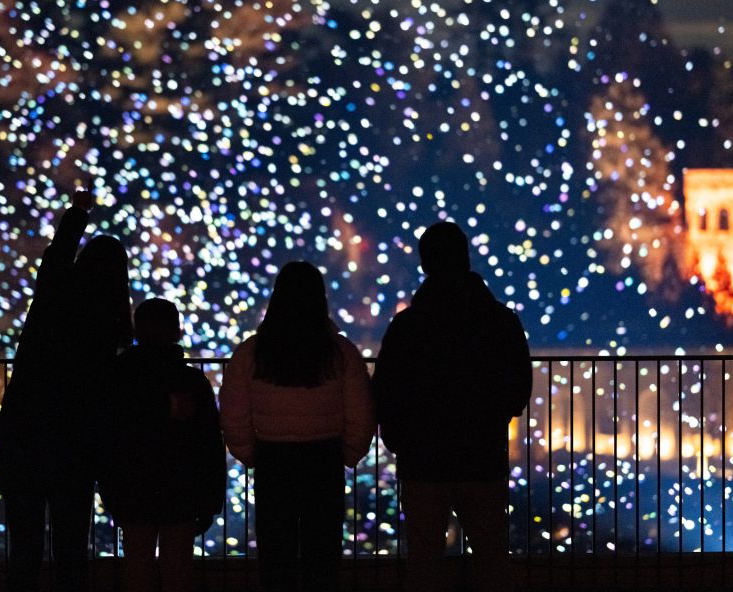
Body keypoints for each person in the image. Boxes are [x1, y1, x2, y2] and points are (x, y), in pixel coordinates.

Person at [371, 221, 532, 592]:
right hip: (482, 458)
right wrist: (493, 420)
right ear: (466, 258)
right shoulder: (500, 321)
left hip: (423, 462)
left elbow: (386, 391)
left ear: (425, 264)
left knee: (424, 563)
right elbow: (518, 386)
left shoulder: (407, 326)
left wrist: (399, 439)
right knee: (492, 561)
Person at [0, 190, 131, 592]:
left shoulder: (52, 299)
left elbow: (56, 257)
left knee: (25, 549)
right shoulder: (110, 331)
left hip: (21, 439)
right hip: (73, 450)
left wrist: (78, 212)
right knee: (71, 551)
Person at [219, 261, 376, 592]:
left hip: (273, 459)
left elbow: (233, 412)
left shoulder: (251, 352)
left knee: (276, 554)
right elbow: (361, 410)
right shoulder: (341, 352)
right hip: (324, 457)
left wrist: (249, 453)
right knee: (323, 552)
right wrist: (349, 454)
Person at [99, 298, 226, 592]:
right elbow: (208, 442)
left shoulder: (117, 377)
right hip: (181, 489)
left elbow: (107, 437)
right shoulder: (192, 382)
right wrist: (209, 501)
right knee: (177, 571)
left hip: (132, 489)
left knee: (137, 569)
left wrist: (110, 490)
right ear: (177, 332)